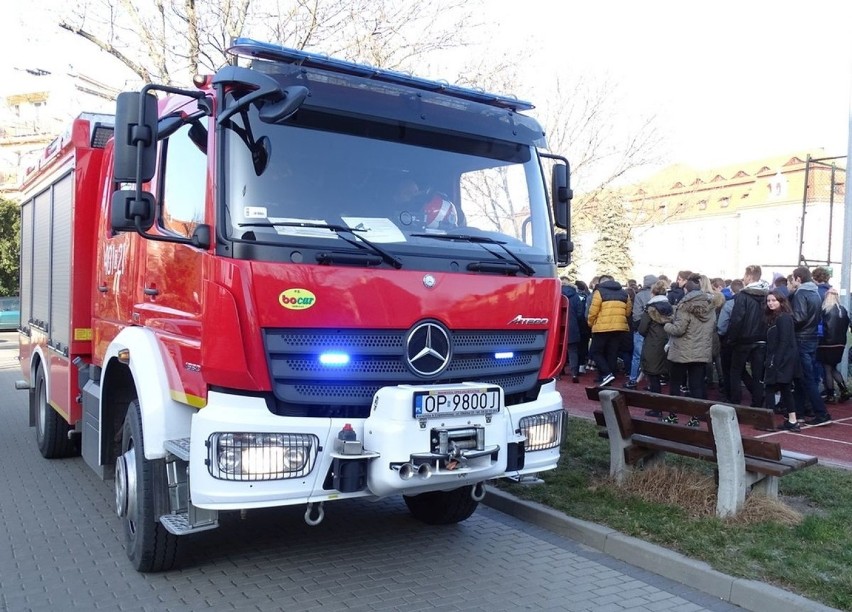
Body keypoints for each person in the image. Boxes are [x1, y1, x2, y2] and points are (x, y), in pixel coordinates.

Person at [789, 266, 832, 425]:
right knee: (802, 377)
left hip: (802, 338)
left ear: (798, 279)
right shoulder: (815, 292)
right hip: (812, 337)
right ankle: (799, 411)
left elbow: (799, 318)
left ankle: (821, 413)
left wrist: (787, 324)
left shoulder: (801, 293)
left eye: (793, 279)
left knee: (806, 378)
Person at [664, 276, 715, 405]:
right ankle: (695, 417)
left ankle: (673, 415)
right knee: (696, 385)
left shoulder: (684, 306)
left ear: (687, 290)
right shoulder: (710, 306)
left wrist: (667, 325)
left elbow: (679, 329)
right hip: (701, 351)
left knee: (675, 384)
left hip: (682, 351)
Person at [726, 265, 769, 407]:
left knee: (736, 370)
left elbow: (737, 319)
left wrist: (731, 339)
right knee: (758, 373)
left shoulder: (743, 296)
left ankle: (735, 400)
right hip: (762, 338)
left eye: (745, 276)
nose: (743, 279)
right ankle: (757, 401)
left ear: (749, 276)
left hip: (744, 339)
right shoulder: (766, 296)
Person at [763, 290, 802, 431]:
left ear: (781, 301)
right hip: (782, 358)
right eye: (768, 301)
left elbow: (784, 341)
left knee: (770, 388)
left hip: (783, 359)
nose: (771, 303)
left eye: (774, 300)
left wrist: (775, 361)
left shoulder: (784, 318)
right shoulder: (775, 317)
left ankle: (771, 421)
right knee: (784, 389)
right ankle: (792, 421)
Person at [586, 274, 632, 387]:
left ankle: (606, 374)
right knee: (612, 353)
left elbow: (593, 311)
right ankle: (610, 376)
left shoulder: (599, 292)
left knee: (595, 352)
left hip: (602, 328)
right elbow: (628, 311)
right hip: (619, 327)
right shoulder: (624, 293)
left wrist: (591, 324)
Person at [638, 280, 673, 404]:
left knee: (653, 376)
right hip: (666, 342)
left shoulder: (650, 309)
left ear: (653, 292)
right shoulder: (670, 308)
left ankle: (656, 407)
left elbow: (642, 329)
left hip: (652, 343)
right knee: (660, 373)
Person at [817, 288, 851, 403]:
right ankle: (844, 390)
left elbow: (821, 329)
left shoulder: (825, 311)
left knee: (827, 369)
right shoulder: (843, 311)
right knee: (833, 368)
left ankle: (830, 395)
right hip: (839, 344)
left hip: (826, 344)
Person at [624, 274, 658, 389]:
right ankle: (650, 382)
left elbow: (636, 314)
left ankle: (633, 379)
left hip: (640, 329)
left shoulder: (640, 295)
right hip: (656, 330)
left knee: (637, 356)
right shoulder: (661, 295)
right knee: (652, 356)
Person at [560, 278, 586, 383]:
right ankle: (574, 373)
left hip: (559, 326)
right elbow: (580, 314)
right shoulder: (576, 297)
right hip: (572, 326)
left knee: (559, 350)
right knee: (573, 351)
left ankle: (558, 371)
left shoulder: (556, 294)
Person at [575, 280, 592, 373]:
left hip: (577, 325)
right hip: (585, 325)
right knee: (583, 346)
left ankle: (576, 366)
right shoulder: (588, 297)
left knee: (575, 347)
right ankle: (581, 365)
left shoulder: (574, 297)